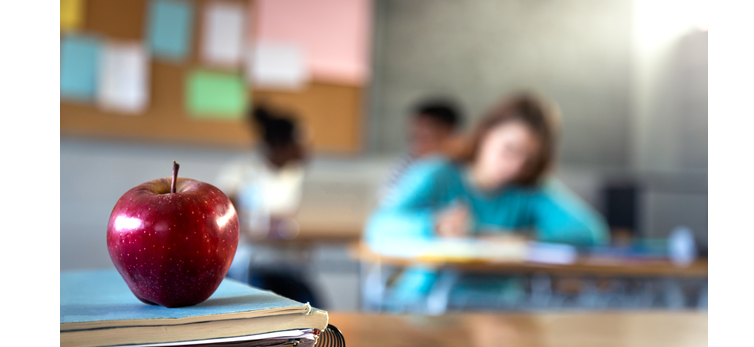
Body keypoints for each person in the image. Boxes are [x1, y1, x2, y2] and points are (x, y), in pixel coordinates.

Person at [364, 92, 610, 310]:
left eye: (529, 159)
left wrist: (524, 239)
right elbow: (378, 227)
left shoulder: (529, 190)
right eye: (510, 149)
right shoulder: (439, 173)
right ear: (486, 133)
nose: (516, 166)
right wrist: (434, 226)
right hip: (426, 304)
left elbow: (591, 231)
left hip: (499, 310)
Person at [215, 104, 321, 307]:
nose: (307, 148)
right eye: (301, 141)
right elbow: (226, 222)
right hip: (254, 265)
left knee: (316, 309)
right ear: (281, 144)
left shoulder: (298, 177)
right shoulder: (241, 173)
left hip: (289, 265)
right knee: (265, 304)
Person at [379, 98, 464, 204]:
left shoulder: (462, 169)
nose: (417, 145)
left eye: (426, 138)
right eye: (414, 137)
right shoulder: (404, 167)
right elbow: (389, 208)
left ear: (450, 136)